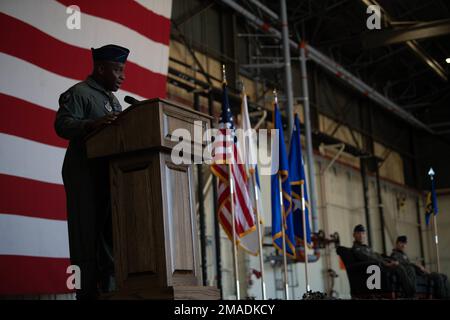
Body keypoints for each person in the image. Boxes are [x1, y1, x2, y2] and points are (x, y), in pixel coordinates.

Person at [54, 44, 129, 300]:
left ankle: (108, 289)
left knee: (110, 237)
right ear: (100, 68)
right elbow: (62, 125)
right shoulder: (79, 93)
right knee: (85, 238)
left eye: (123, 70)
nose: (123, 76)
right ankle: (86, 294)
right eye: (118, 69)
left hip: (109, 176)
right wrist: (90, 124)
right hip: (84, 176)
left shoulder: (113, 100)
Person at [351, 224, 416, 298]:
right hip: (376, 268)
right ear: (354, 235)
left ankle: (411, 293)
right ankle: (410, 295)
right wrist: (385, 263)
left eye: (363, 233)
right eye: (358, 233)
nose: (361, 235)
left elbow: (378, 256)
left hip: (381, 264)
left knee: (409, 268)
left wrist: (389, 260)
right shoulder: (357, 249)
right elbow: (368, 259)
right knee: (399, 268)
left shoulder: (367, 248)